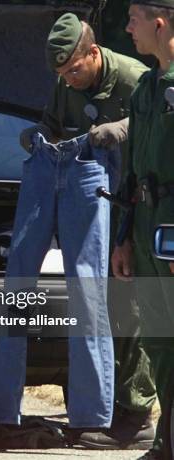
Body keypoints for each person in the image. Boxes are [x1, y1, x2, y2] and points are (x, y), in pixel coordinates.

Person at [0, 13, 155, 449]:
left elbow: (160, 128)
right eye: (61, 73)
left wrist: (123, 129)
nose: (68, 79)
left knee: (122, 303)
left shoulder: (136, 79)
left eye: (74, 69)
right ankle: (19, 413)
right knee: (29, 287)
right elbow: (54, 124)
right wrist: (40, 136)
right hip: (88, 187)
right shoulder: (66, 83)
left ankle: (128, 414)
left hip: (138, 202)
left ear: (94, 53)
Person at [113, 2, 174, 458]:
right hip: (148, 226)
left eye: (134, 18)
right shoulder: (146, 89)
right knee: (157, 337)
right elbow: (131, 173)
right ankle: (164, 441)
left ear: (161, 22)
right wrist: (123, 239)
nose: (127, 27)